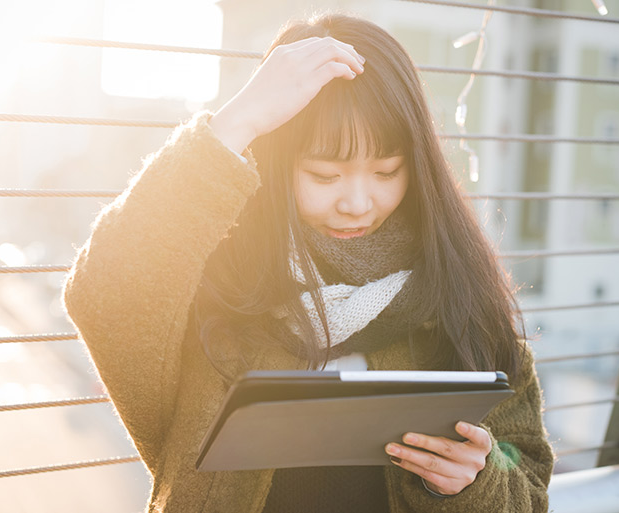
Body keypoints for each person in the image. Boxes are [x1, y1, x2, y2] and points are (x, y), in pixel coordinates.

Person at [63, 12, 554, 513]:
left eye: (387, 171)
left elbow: (530, 487)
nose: (358, 203)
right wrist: (238, 121)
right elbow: (106, 293)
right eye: (324, 175)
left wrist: (475, 483)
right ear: (278, 166)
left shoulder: (458, 296)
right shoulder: (216, 286)